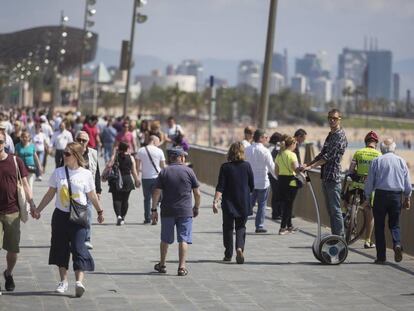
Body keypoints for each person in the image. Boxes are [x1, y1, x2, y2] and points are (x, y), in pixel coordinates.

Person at [32, 142, 104, 297]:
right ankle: (63, 281)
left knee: (79, 248)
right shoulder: (58, 172)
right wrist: (38, 209)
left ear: (76, 156)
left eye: (67, 154)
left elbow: (92, 195)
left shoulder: (86, 174)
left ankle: (79, 282)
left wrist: (100, 211)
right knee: (60, 249)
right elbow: (50, 194)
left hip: (79, 217)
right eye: (63, 153)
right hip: (61, 216)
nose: (63, 156)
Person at [151, 147, 200, 276]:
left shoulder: (164, 172)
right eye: (184, 156)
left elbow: (156, 192)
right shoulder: (189, 171)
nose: (185, 159)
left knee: (165, 239)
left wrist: (154, 209)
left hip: (167, 210)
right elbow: (197, 193)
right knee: (183, 239)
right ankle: (181, 267)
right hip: (185, 211)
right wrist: (196, 207)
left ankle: (162, 264)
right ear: (180, 157)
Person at [364, 138, 412, 264]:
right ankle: (397, 244)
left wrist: (367, 198)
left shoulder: (377, 161)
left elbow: (370, 182)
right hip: (396, 196)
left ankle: (381, 257)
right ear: (394, 148)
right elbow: (407, 183)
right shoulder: (401, 161)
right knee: (394, 224)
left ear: (382, 149)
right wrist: (407, 198)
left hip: (380, 195)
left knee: (379, 226)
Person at [301, 109, 348, 237]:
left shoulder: (340, 136)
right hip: (325, 176)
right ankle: (335, 236)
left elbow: (329, 156)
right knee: (330, 210)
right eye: (330, 118)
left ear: (339, 119)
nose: (332, 120)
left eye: (335, 118)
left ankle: (340, 237)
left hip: (333, 177)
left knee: (335, 209)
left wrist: (312, 167)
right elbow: (322, 153)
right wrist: (308, 164)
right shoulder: (330, 135)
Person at [0, 131, 36, 293]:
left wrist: (32, 204)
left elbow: (25, 184)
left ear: (5, 143)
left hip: (12, 211)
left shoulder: (15, 161)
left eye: (0, 141)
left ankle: (8, 273)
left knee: (12, 250)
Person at [212, 142, 254, 263]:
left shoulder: (225, 167)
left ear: (230, 152)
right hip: (243, 202)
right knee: (241, 227)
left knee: (228, 228)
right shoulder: (247, 166)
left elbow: (220, 187)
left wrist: (215, 201)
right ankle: (240, 248)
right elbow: (252, 185)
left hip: (228, 202)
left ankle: (228, 254)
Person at [345, 131, 381, 248]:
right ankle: (367, 240)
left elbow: (351, 170)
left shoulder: (358, 152)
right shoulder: (379, 155)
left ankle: (349, 215)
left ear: (366, 142)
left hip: (356, 185)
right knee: (369, 214)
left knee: (346, 201)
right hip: (370, 189)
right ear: (376, 143)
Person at [245, 129, 276, 233]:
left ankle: (242, 221)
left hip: (250, 182)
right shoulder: (265, 151)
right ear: (261, 138)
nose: (267, 139)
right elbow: (272, 167)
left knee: (249, 203)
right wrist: (278, 178)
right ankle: (259, 226)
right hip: (263, 182)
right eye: (266, 137)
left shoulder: (247, 149)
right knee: (262, 205)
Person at [75, 131, 102, 250]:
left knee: (89, 214)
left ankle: (87, 238)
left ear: (88, 142)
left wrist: (98, 190)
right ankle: (74, 237)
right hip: (74, 189)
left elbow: (97, 173)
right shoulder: (70, 152)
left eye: (84, 140)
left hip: (89, 189)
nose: (81, 142)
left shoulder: (93, 153)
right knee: (73, 214)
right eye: (79, 139)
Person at [135, 135, 165, 224]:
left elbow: (137, 167)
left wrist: (137, 178)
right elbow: (163, 167)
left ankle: (147, 218)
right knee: (157, 198)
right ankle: (155, 215)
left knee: (147, 199)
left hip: (145, 178)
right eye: (158, 142)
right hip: (157, 178)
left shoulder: (141, 150)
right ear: (155, 141)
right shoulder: (159, 151)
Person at [108, 141, 140, 225]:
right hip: (127, 180)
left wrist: (114, 153)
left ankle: (118, 216)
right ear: (127, 148)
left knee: (116, 199)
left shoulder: (115, 157)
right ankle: (122, 217)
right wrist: (137, 180)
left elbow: (109, 165)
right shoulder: (131, 157)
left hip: (116, 180)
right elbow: (133, 171)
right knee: (125, 200)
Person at [275, 136, 301, 235]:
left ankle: (289, 226)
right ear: (292, 144)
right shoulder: (292, 155)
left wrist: (281, 178)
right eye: (295, 144)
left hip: (281, 181)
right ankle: (282, 228)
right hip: (291, 182)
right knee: (288, 205)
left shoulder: (279, 155)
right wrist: (301, 168)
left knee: (285, 204)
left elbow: (276, 171)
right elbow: (296, 169)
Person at [268, 131, 283, 220]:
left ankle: (276, 212)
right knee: (278, 194)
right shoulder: (275, 150)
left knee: (275, 194)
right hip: (275, 174)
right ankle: (277, 213)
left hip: (271, 174)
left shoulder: (269, 148)